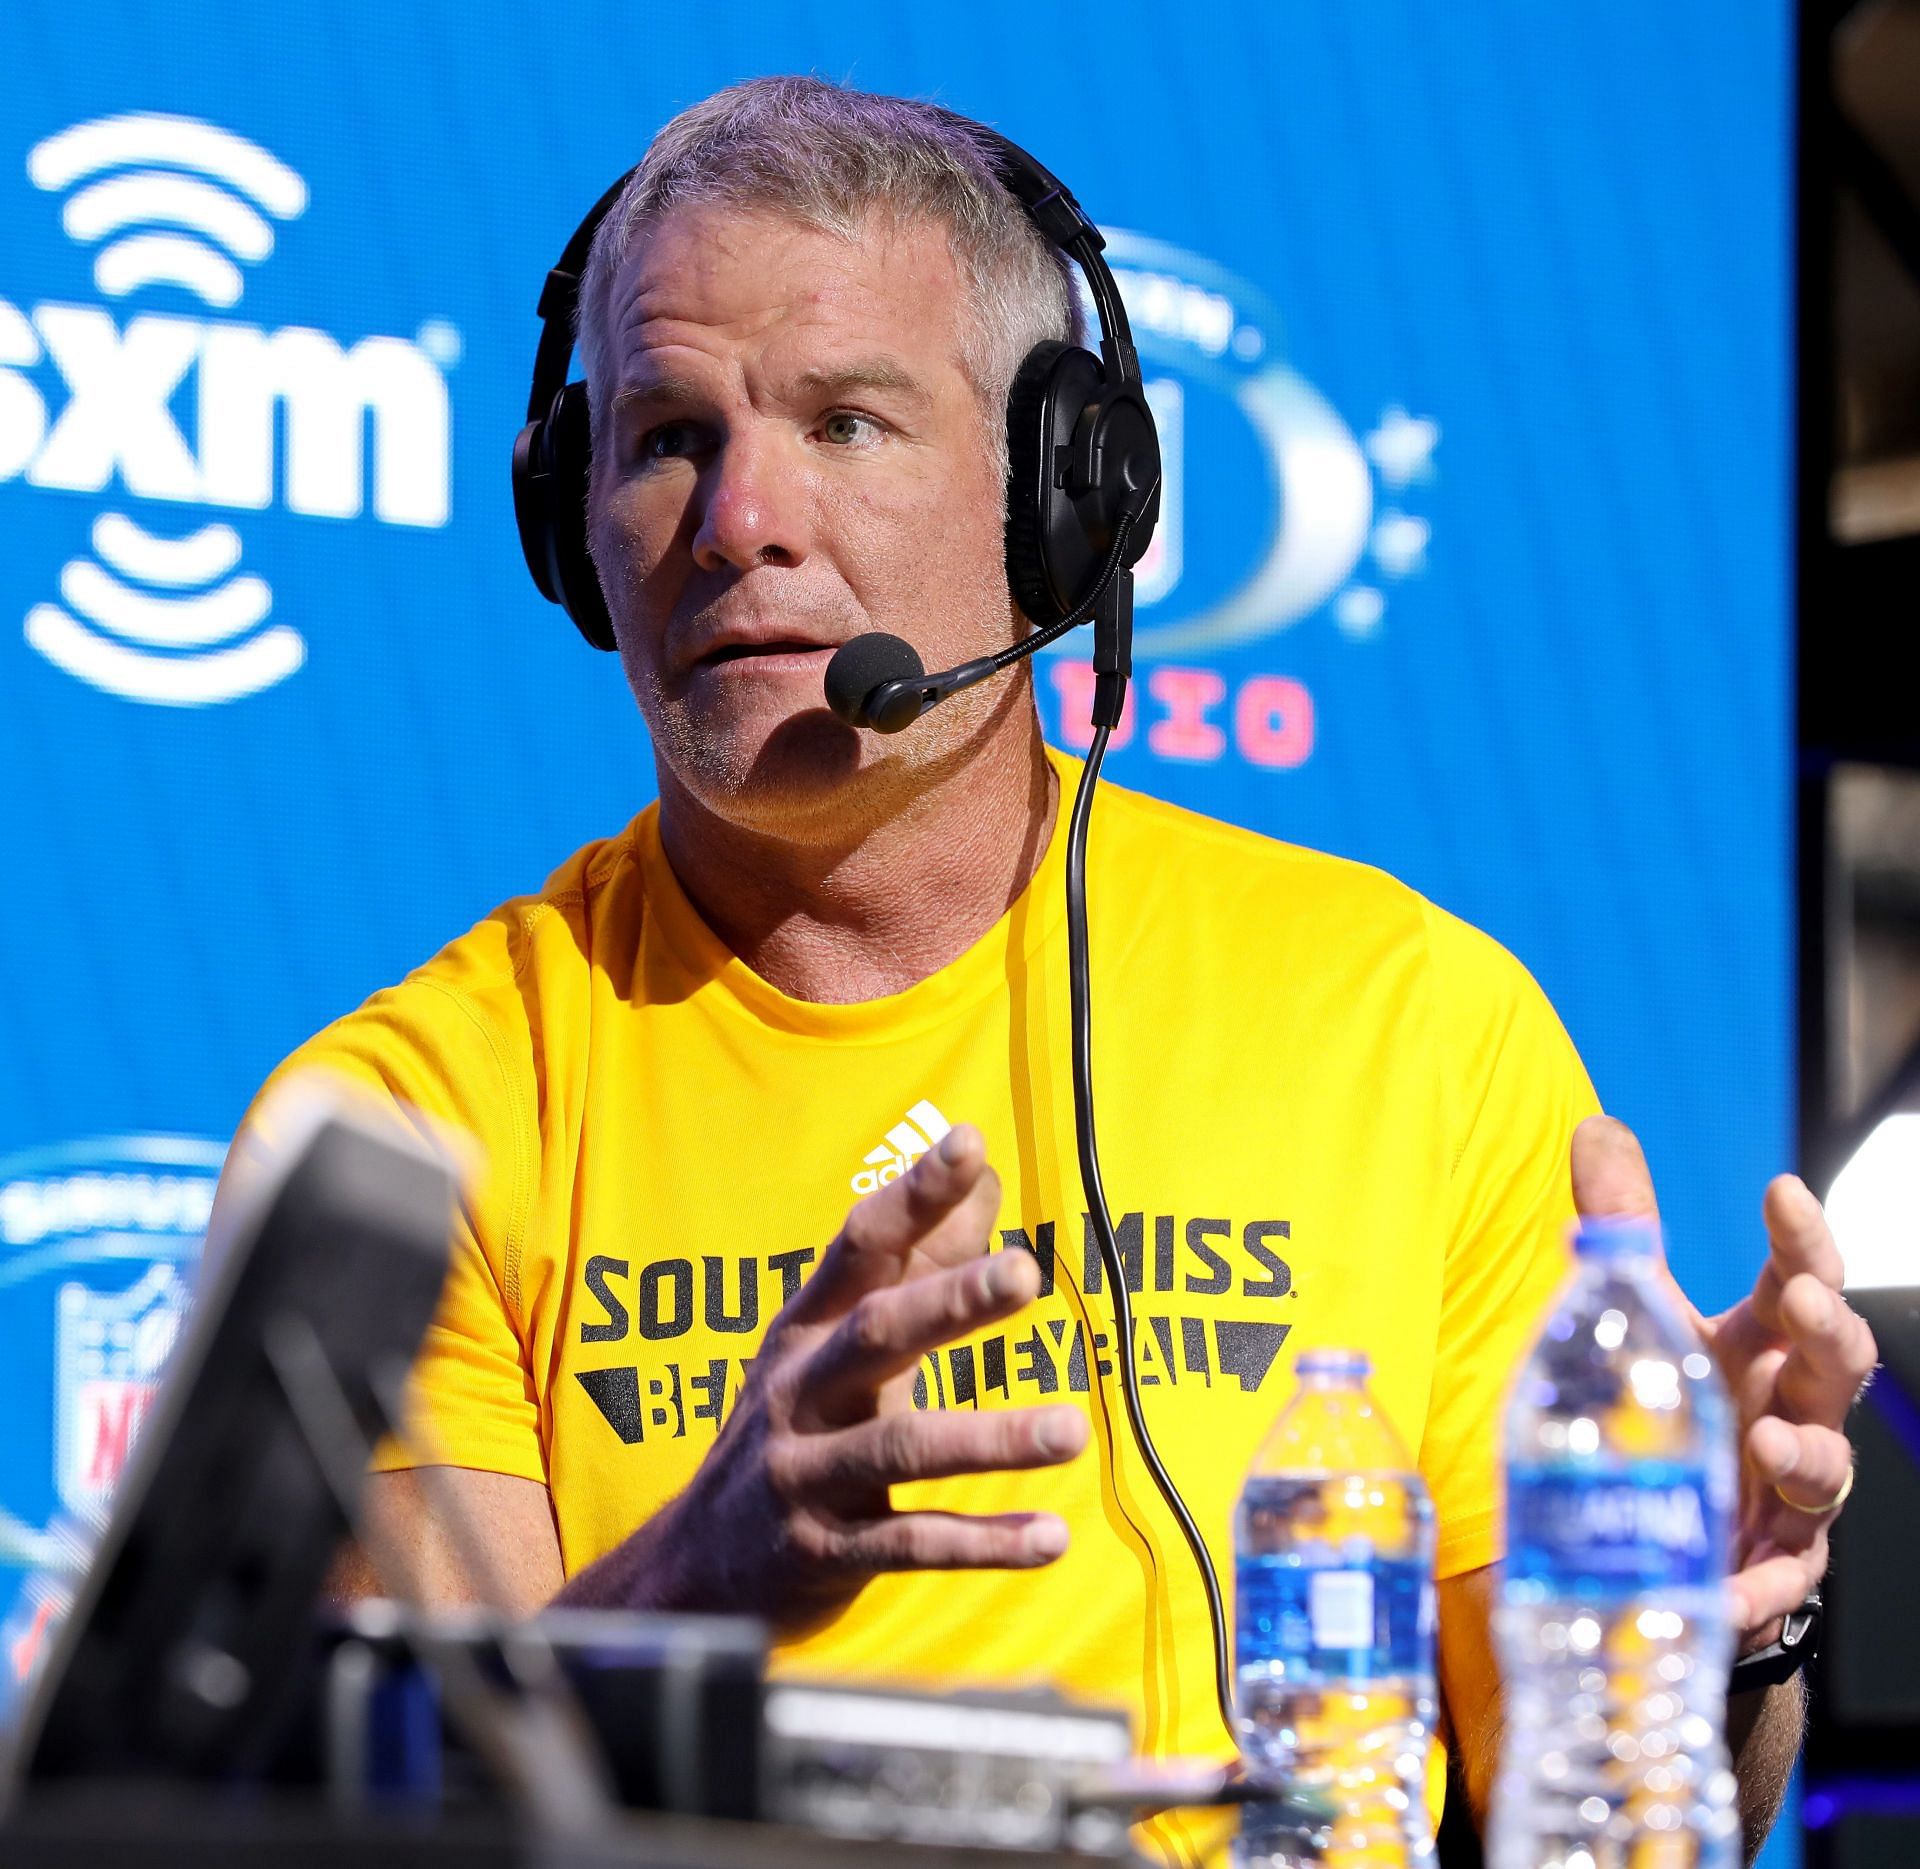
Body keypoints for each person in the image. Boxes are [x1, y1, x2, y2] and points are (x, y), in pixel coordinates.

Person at [223, 77, 1875, 1864]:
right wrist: (695, 1579)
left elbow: (1584, 1810)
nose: (740, 518)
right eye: (666, 435)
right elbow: (386, 1838)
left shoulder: (1416, 1024)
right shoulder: (402, 1121)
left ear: (1063, 498)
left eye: (846, 423)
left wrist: (1704, 1628)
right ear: (573, 529)